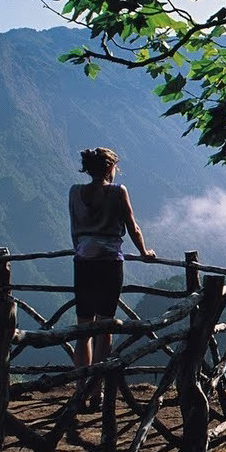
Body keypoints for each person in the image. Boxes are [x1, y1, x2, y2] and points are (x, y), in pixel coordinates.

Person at [69, 147, 154, 402]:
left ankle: (80, 388)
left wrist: (81, 249)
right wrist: (144, 252)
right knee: (104, 327)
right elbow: (132, 226)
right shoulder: (118, 192)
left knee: (83, 328)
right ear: (109, 168)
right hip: (109, 264)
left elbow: (74, 228)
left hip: (83, 261)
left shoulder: (75, 192)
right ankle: (98, 390)